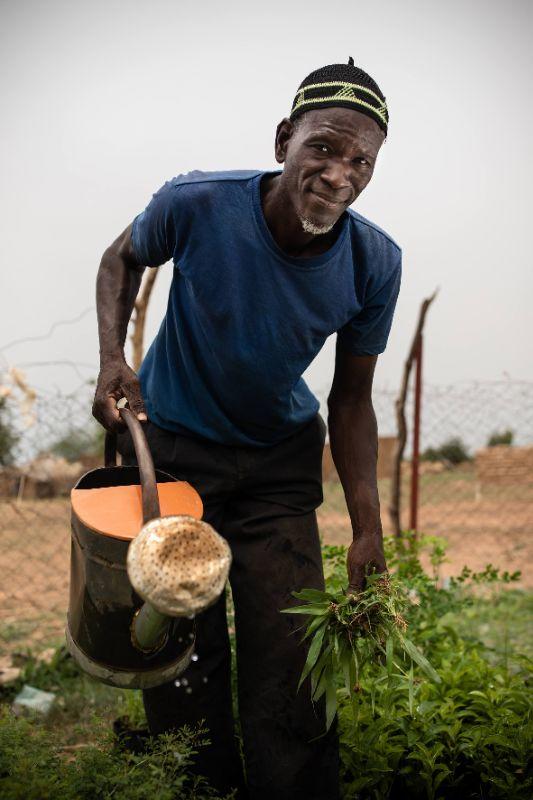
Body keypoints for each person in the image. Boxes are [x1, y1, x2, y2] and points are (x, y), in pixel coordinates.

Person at [92, 58, 401, 800]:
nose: (339, 174)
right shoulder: (197, 204)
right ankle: (200, 788)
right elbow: (119, 258)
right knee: (181, 653)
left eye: (361, 160)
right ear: (281, 141)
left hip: (277, 469)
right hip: (172, 455)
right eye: (322, 148)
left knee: (290, 657)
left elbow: (351, 401)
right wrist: (111, 359)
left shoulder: (372, 262)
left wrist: (367, 526)